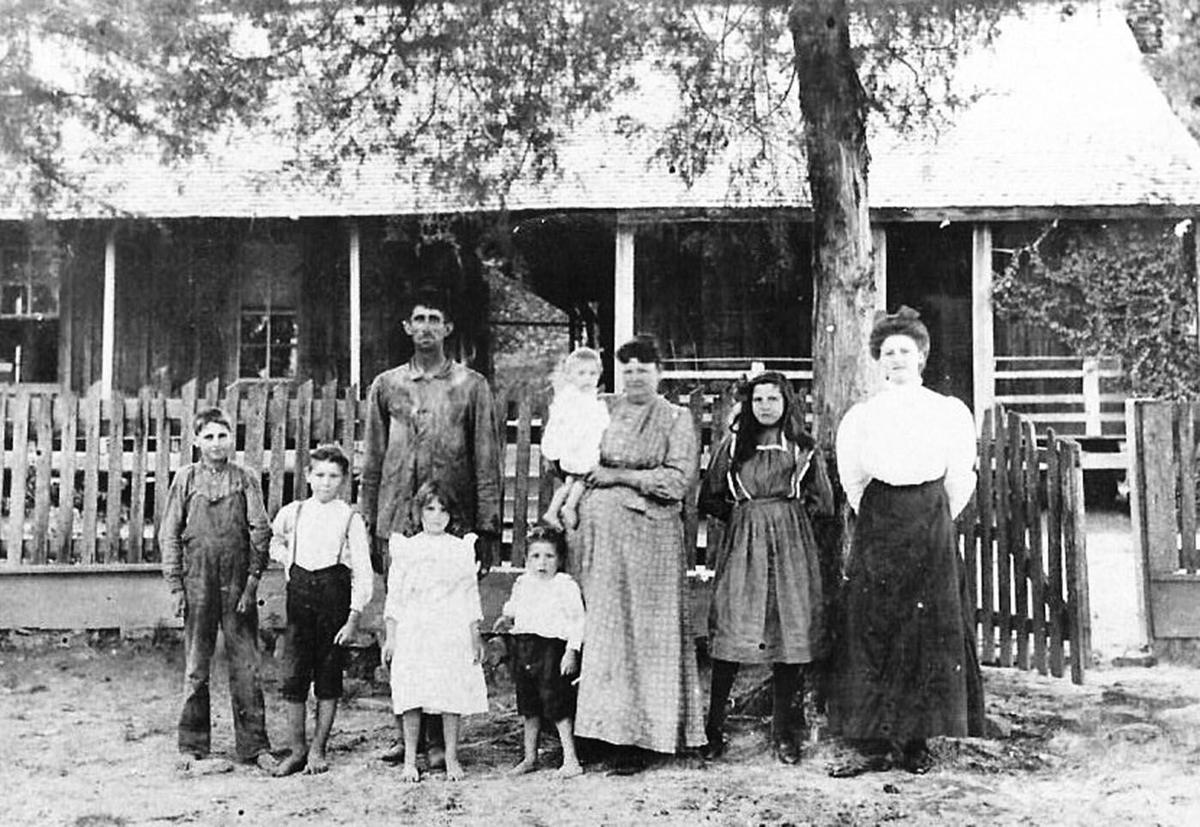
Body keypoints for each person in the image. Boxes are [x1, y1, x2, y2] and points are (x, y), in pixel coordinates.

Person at [829, 306, 986, 777]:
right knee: (873, 626)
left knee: (925, 630)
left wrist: (932, 516)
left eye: (905, 350)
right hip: (880, 520)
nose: (896, 358)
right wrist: (881, 515)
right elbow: (853, 478)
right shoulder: (863, 416)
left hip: (929, 519)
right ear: (879, 360)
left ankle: (917, 742)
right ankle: (875, 743)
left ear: (921, 356)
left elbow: (961, 475)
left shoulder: (946, 410)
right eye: (888, 352)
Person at [360, 287, 501, 765]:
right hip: (399, 521)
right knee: (404, 627)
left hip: (452, 523)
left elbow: (486, 458)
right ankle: (407, 738)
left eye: (433, 318)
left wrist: (486, 527)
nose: (425, 327)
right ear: (406, 327)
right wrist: (370, 523)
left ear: (447, 328)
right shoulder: (386, 386)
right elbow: (373, 459)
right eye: (417, 318)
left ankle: (441, 743)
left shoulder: (471, 386)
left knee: (446, 632)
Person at [569, 334, 706, 772]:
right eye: (627, 370)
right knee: (605, 630)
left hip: (651, 540)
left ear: (659, 373)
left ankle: (644, 737)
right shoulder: (603, 408)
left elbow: (676, 481)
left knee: (647, 635)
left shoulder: (675, 417)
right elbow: (575, 455)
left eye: (643, 370)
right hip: (601, 539)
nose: (634, 377)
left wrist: (620, 476)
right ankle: (598, 732)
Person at [698, 372, 834, 764]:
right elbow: (709, 497)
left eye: (773, 398)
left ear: (786, 402)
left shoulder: (802, 448)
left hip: (791, 547)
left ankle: (783, 732)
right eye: (758, 399)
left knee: (788, 630)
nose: (765, 406)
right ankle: (714, 727)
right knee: (733, 626)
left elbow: (822, 503)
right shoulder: (733, 446)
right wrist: (746, 518)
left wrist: (788, 521)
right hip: (744, 545)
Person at [159, 407, 274, 770]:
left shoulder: (245, 478)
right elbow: (169, 534)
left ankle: (254, 746)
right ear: (196, 441)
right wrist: (176, 586)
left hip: (237, 583)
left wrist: (252, 581)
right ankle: (192, 745)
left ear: (232, 439)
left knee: (246, 665)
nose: (216, 443)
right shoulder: (185, 479)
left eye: (222, 435)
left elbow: (260, 530)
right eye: (208, 436)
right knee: (196, 665)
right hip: (198, 581)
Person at [267, 444, 374, 777]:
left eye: (334, 476)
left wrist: (354, 616)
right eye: (320, 475)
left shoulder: (349, 518)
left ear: (344, 480)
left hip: (333, 605)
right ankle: (297, 749)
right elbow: (274, 541)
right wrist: (288, 559)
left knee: (328, 678)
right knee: (294, 677)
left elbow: (363, 572)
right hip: (299, 603)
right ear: (308, 476)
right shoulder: (294, 512)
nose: (326, 482)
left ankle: (318, 748)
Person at [382, 481, 489, 783]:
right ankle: (409, 760)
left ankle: (451, 756)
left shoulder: (460, 548)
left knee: (449, 691)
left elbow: (469, 594)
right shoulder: (407, 548)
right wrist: (391, 636)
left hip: (450, 627)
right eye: (430, 509)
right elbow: (395, 596)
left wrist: (474, 633)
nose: (437, 516)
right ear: (419, 512)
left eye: (443, 510)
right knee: (412, 691)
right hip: (414, 627)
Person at [492, 526, 586, 778]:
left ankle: (571, 760)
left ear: (560, 559)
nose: (542, 563)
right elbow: (513, 607)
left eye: (549, 556)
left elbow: (578, 620)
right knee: (529, 705)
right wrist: (506, 617)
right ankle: (530, 757)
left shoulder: (564, 585)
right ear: (526, 559)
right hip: (524, 647)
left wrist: (571, 650)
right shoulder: (523, 583)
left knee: (557, 704)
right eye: (535, 556)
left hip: (551, 650)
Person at [540, 347, 609, 530]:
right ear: (570, 376)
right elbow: (569, 425)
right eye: (582, 373)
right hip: (577, 450)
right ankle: (569, 507)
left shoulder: (583, 396)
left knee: (570, 482)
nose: (588, 379)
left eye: (593, 374)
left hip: (579, 450)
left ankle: (552, 511)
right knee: (583, 479)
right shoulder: (574, 399)